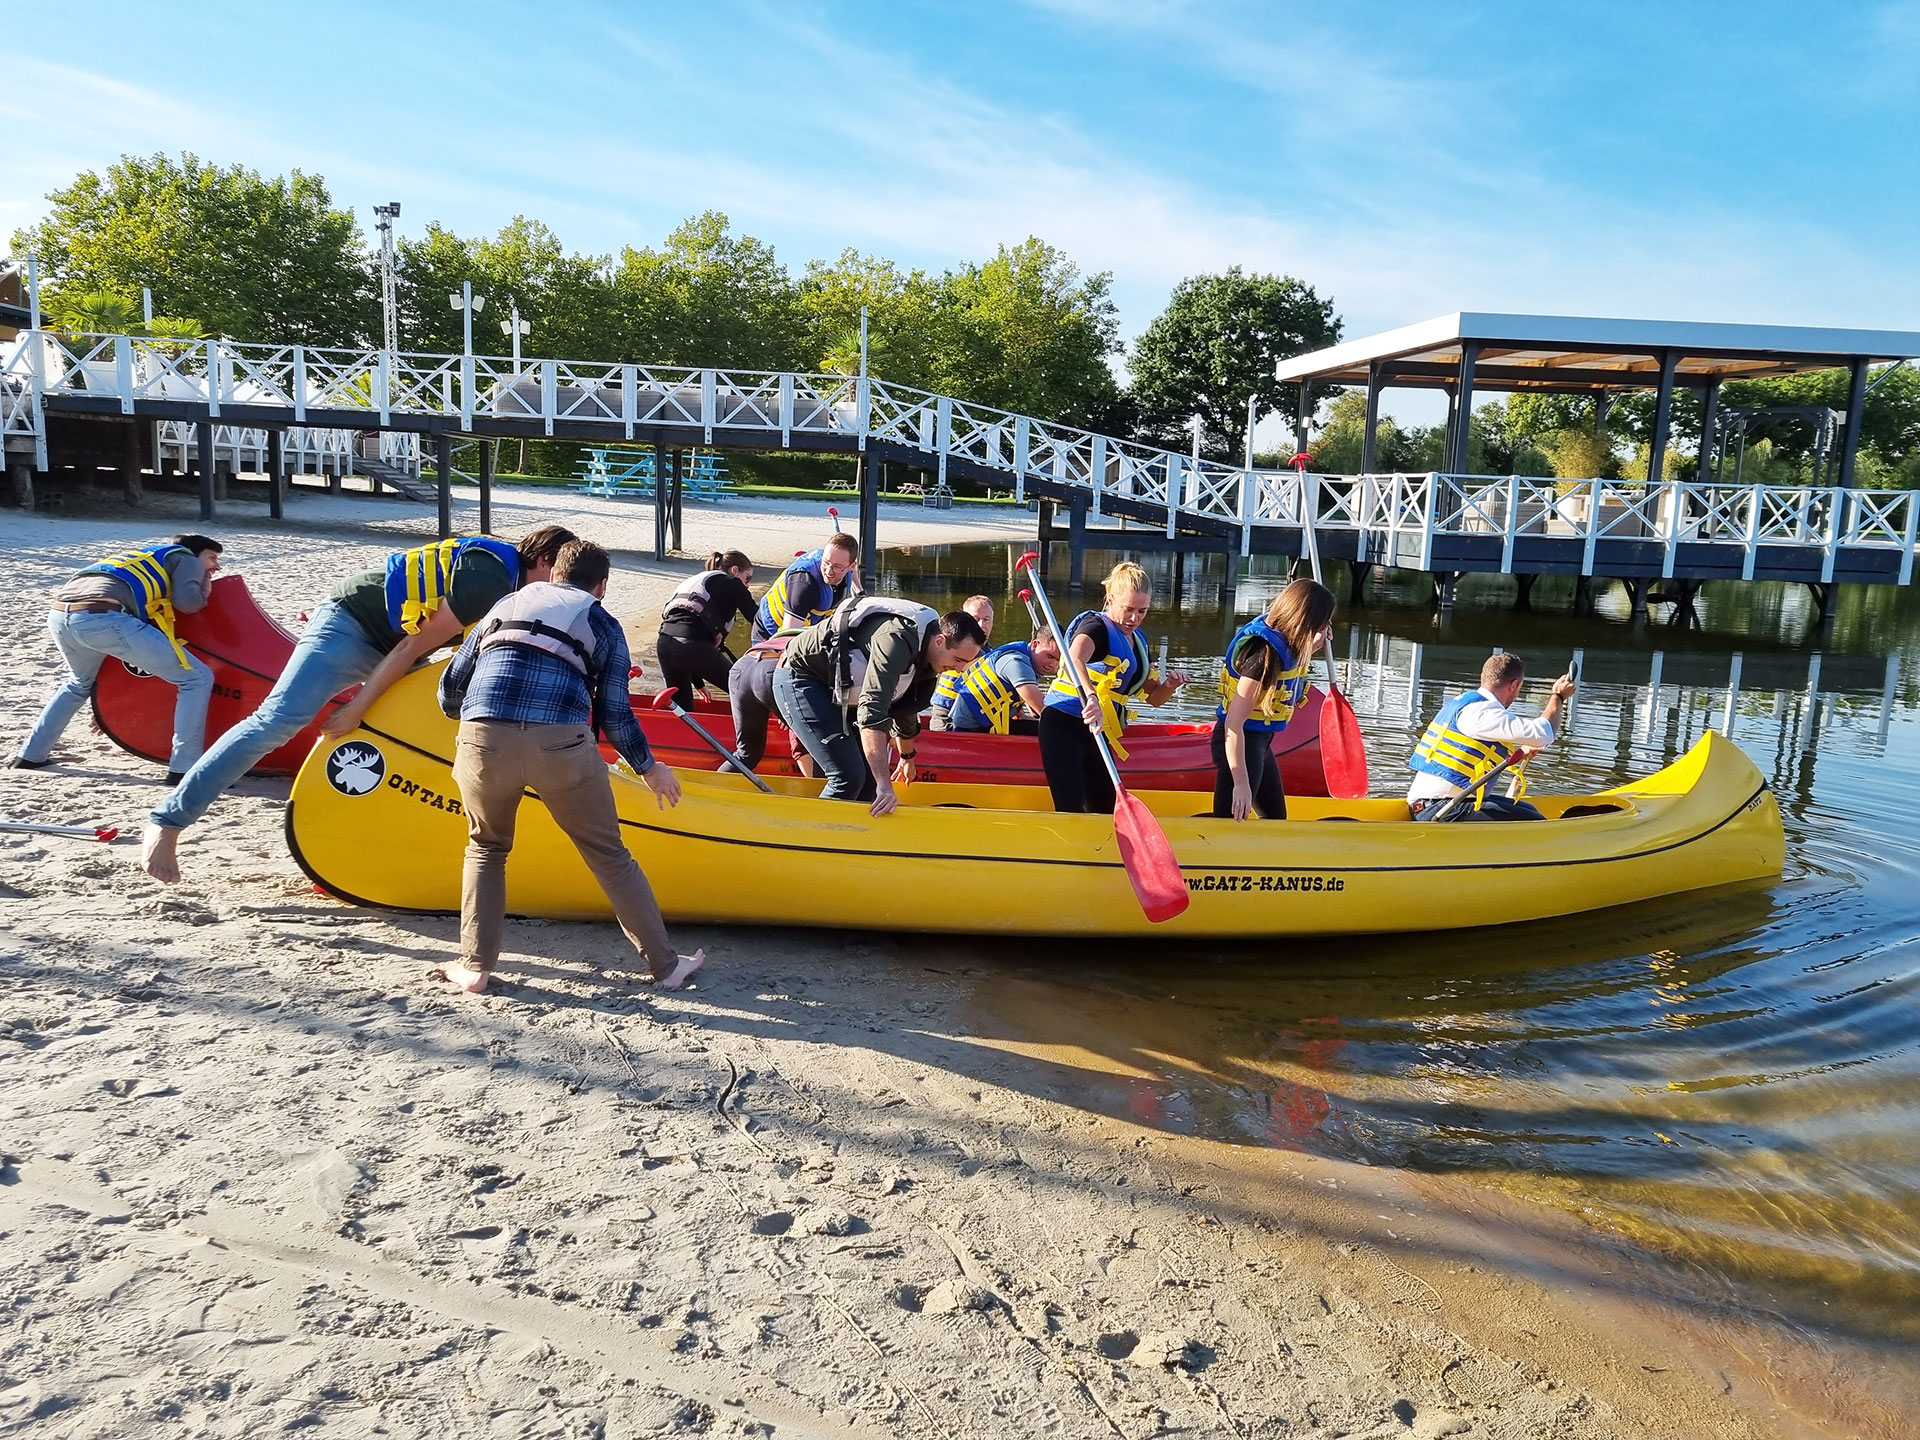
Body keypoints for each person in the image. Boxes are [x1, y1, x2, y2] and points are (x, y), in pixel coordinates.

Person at [141, 525, 577, 882]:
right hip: (350, 626)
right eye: (559, 578)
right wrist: (356, 708)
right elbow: (410, 647)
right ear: (541, 562)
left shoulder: (515, 590)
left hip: (397, 646)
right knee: (277, 721)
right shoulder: (490, 580)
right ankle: (168, 822)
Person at [437, 539, 703, 996]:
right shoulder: (601, 620)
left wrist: (488, 724)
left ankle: (475, 967)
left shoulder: (505, 604)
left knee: (486, 849)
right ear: (601, 585)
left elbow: (449, 693)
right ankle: (666, 966)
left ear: (554, 573)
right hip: (560, 743)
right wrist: (650, 768)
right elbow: (615, 715)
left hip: (482, 739)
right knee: (610, 856)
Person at [14, 534, 222, 782]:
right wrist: (205, 586)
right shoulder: (187, 558)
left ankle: (30, 756)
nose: (216, 566)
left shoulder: (139, 557)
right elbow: (188, 603)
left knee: (79, 684)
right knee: (196, 679)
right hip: (103, 616)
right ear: (194, 552)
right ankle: (184, 769)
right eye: (212, 558)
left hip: (59, 616)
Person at [773, 597, 985, 816]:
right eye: (959, 660)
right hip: (800, 676)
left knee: (868, 786)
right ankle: (813, 836)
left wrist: (907, 757)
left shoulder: (932, 654)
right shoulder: (897, 640)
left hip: (838, 691)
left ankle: (852, 838)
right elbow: (871, 712)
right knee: (847, 776)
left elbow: (906, 708)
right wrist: (885, 785)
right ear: (940, 641)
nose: (959, 670)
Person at [1039, 561, 1186, 814]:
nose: (1134, 618)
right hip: (1064, 723)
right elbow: (1075, 658)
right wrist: (1092, 697)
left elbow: (1155, 699)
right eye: (1128, 609)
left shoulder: (1137, 640)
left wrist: (1170, 685)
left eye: (1142, 611)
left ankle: (1100, 850)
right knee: (1070, 807)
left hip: (1097, 730)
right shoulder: (1096, 627)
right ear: (1110, 599)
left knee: (1104, 807)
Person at [1213, 578, 1335, 821]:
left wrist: (1314, 645)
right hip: (1240, 745)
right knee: (1230, 820)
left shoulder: (1285, 641)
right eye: (1322, 624)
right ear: (1305, 623)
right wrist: (1241, 783)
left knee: (1275, 818)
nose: (1325, 629)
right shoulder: (1261, 658)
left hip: (1260, 744)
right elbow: (1233, 725)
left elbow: (1290, 666)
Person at [1407, 652, 1577, 822]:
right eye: (1519, 688)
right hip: (1440, 810)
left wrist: (1519, 752)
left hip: (1437, 804)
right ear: (1514, 685)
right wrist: (1558, 696)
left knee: (1528, 809)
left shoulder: (1467, 703)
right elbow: (1544, 733)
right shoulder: (1484, 712)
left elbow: (1469, 751)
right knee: (1534, 821)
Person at [655, 549, 755, 709]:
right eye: (747, 578)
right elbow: (757, 619)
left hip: (664, 644)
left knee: (682, 710)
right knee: (746, 690)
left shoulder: (701, 581)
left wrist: (698, 683)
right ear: (735, 570)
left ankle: (682, 733)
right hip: (690, 646)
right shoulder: (733, 583)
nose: (747, 585)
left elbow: (684, 632)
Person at [929, 625, 1061, 735]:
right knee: (1056, 730)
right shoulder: (1015, 662)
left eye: (1058, 660)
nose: (1053, 664)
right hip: (969, 731)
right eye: (1050, 656)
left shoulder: (1029, 662)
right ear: (1035, 645)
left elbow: (1034, 711)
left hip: (989, 724)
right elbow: (1042, 708)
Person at [751, 533, 858, 641]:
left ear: (851, 566)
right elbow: (788, 636)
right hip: (770, 631)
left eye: (837, 567)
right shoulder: (804, 584)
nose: (828, 571)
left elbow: (852, 573)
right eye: (826, 562)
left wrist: (860, 591)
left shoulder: (844, 565)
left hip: (808, 622)